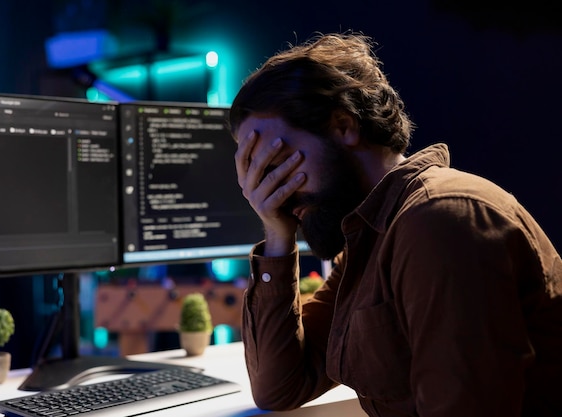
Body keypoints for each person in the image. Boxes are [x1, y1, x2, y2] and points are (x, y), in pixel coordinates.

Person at [228, 32, 562, 417]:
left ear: (343, 127)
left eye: (278, 162)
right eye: (255, 173)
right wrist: (276, 234)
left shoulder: (438, 219)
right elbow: (280, 389)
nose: (271, 192)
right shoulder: (373, 237)